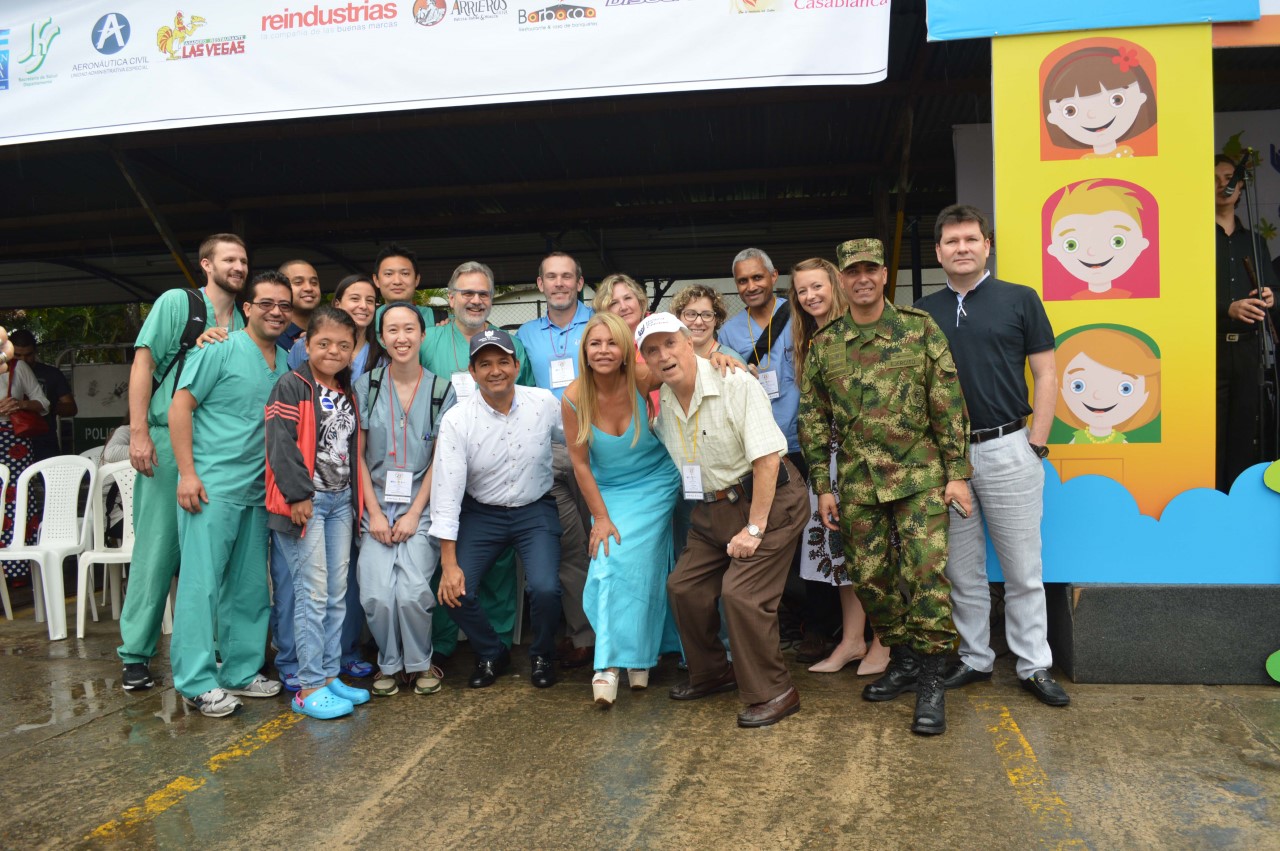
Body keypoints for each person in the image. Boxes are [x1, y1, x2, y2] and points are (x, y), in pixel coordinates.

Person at [801, 239, 971, 735]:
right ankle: (902, 656)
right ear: (842, 281)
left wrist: (957, 474)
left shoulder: (919, 331)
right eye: (852, 272)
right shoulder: (826, 343)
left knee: (925, 577)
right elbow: (813, 419)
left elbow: (948, 404)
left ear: (883, 274)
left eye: (871, 270)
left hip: (919, 477)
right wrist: (823, 486)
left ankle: (933, 679)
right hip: (856, 482)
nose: (862, 279)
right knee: (869, 579)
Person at [915, 204, 1071, 707]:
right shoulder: (922, 311)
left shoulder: (1020, 300)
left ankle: (1033, 665)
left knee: (1024, 569)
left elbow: (1047, 373)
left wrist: (1036, 443)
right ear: (938, 251)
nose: (962, 248)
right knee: (962, 570)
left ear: (988, 245)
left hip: (1009, 448)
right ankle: (976, 658)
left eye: (971, 239)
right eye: (951, 241)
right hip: (948, 460)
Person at [638, 312, 808, 728]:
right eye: (651, 350)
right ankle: (714, 673)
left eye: (670, 344)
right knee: (683, 587)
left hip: (768, 501)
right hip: (712, 509)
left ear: (688, 341)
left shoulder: (735, 382)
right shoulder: (660, 398)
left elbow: (768, 461)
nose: (664, 355)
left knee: (741, 594)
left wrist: (754, 528)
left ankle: (776, 691)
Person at [118, 233, 247, 693]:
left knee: (212, 554)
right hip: (169, 440)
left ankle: (210, 648)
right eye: (229, 259)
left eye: (243, 260)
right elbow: (143, 364)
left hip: (218, 448)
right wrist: (138, 433)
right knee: (159, 548)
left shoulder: (246, 317)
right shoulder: (181, 303)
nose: (238, 266)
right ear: (206, 265)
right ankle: (135, 652)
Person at [168, 271, 292, 717]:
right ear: (248, 308)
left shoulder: (287, 360)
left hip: (261, 491)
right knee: (201, 586)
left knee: (249, 586)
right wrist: (186, 474)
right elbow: (180, 405)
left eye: (284, 305)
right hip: (213, 486)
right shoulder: (219, 347)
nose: (276, 311)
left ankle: (240, 670)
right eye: (266, 304)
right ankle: (196, 681)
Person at [719, 248, 838, 664]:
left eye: (757, 278)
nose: (750, 287)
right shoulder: (730, 331)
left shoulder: (799, 312)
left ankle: (822, 627)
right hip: (760, 452)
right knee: (770, 537)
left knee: (817, 538)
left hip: (805, 444)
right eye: (742, 281)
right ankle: (792, 618)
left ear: (773, 278)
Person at [432, 328, 563, 690]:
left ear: (517, 366)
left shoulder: (544, 403)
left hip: (534, 510)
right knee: (454, 592)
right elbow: (447, 490)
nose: (495, 371)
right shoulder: (458, 420)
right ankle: (492, 652)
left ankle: (542, 653)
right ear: (472, 373)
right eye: (485, 364)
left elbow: (577, 441)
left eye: (503, 362)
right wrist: (448, 562)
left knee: (546, 588)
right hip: (482, 513)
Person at [563, 313, 681, 707]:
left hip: (657, 481)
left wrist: (722, 358)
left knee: (643, 562)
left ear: (625, 349)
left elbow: (688, 363)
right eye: (595, 343)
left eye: (612, 343)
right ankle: (616, 661)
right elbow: (580, 463)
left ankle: (625, 660)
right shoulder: (573, 396)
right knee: (610, 560)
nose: (603, 351)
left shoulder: (644, 378)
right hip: (610, 491)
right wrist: (600, 516)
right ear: (584, 350)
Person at [419, 262, 533, 663]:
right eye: (466, 293)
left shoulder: (510, 344)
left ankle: (496, 641)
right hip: (440, 462)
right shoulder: (427, 340)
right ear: (450, 299)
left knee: (499, 561)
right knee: (444, 555)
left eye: (483, 293)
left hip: (497, 466)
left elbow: (527, 398)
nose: (475, 300)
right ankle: (444, 643)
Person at [786, 256, 890, 677]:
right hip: (824, 461)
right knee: (842, 554)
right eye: (802, 290)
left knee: (881, 552)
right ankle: (851, 640)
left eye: (817, 286)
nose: (810, 296)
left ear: (836, 284)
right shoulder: (806, 337)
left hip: (867, 458)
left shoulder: (860, 329)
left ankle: (883, 641)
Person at [265, 305, 370, 719]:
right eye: (323, 343)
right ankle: (308, 687)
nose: (333, 351)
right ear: (306, 344)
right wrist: (297, 496)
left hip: (341, 502)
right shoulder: (291, 386)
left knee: (336, 593)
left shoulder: (347, 390)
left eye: (344, 345)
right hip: (305, 504)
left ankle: (329, 676)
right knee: (312, 593)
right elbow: (280, 444)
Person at [355, 302, 445, 698]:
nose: (401, 337)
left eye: (409, 329)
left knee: (411, 594)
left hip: (421, 503)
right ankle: (389, 664)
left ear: (423, 335)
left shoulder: (442, 391)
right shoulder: (367, 386)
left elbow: (443, 460)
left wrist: (414, 513)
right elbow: (355, 455)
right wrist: (373, 513)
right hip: (374, 502)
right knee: (376, 593)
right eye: (392, 330)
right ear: (381, 337)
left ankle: (421, 662)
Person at [516, 251, 595, 669]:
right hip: (547, 453)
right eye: (552, 277)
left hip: (596, 449)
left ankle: (611, 635)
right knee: (569, 548)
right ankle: (582, 636)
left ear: (579, 282)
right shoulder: (524, 335)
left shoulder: (599, 324)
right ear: (541, 283)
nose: (560, 283)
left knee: (603, 542)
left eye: (567, 276)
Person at [1214, 154, 1279, 492]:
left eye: (1230, 178)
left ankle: (1236, 502)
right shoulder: (1194, 238)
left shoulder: (1254, 240)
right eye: (1215, 178)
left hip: (1249, 349)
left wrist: (1270, 297)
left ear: (1240, 186)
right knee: (1211, 433)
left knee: (1244, 432)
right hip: (1208, 349)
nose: (1223, 184)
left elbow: (1272, 288)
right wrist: (1228, 308)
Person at [1041, 41, 1156, 159]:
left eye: (1117, 100)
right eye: (1070, 110)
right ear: (1053, 119)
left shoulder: (1126, 154)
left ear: (1140, 98)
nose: (1092, 114)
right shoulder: (1085, 161)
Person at [1055, 327, 1161, 445]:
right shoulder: (1077, 439)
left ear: (1146, 396)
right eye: (1078, 385)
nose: (1098, 395)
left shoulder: (1121, 441)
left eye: (1125, 388)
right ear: (1062, 390)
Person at [0, 348, 50, 583]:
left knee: (17, 498)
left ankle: (17, 570)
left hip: (14, 441)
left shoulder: (17, 367)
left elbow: (43, 402)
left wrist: (19, 404)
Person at [8, 329, 76, 461]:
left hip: (44, 438)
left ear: (35, 351)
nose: (23, 360)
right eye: (18, 356)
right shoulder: (4, 373)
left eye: (28, 355)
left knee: (50, 479)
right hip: (13, 437)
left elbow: (71, 407)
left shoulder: (51, 373)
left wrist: (46, 405)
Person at [669, 285, 747, 364]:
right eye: (691, 314)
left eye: (707, 315)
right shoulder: (668, 357)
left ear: (716, 319)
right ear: (678, 317)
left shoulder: (732, 361)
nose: (698, 322)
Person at [276, 260, 322, 351]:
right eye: (298, 282)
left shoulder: (328, 333)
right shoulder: (273, 337)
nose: (309, 288)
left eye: (314, 283)